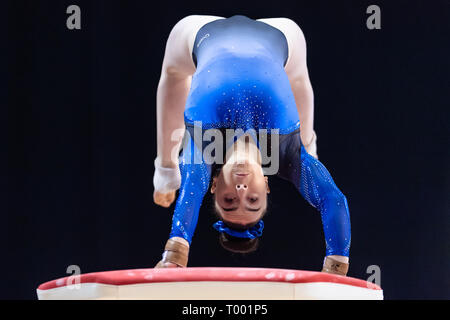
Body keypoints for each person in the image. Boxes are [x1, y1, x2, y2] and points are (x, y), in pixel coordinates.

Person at [152, 15, 350, 276]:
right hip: (282, 35)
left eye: (230, 200)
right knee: (299, 82)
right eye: (253, 200)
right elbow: (333, 198)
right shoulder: (285, 154)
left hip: (199, 32)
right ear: (267, 186)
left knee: (173, 74)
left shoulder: (205, 147)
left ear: (212, 186)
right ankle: (310, 146)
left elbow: (190, 188)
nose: (242, 190)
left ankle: (164, 173)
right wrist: (336, 270)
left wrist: (175, 255)